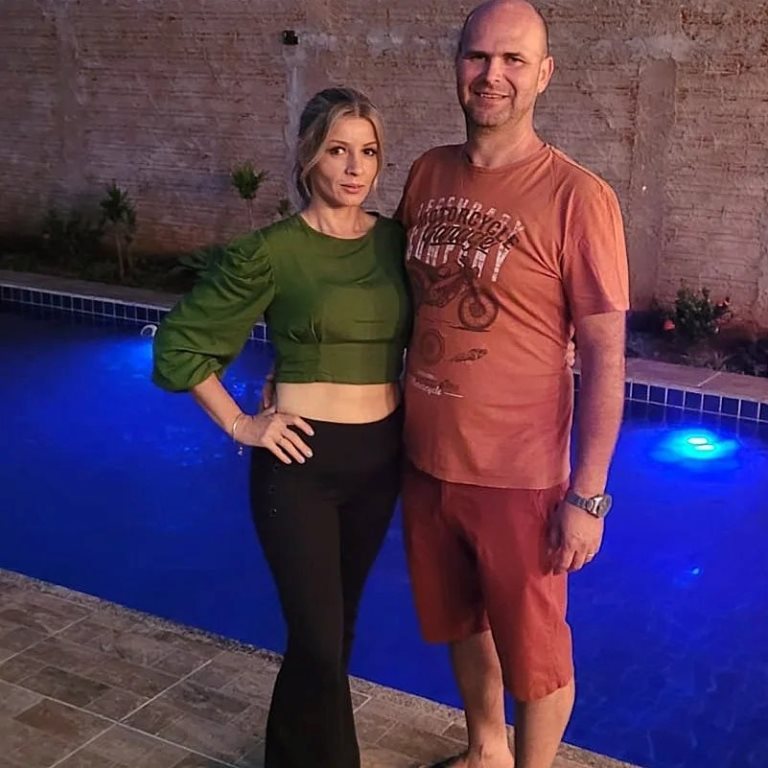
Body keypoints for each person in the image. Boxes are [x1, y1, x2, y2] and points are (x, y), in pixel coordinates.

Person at [395, 2, 630, 768]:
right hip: (426, 464)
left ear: (544, 75)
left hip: (520, 478)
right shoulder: (428, 172)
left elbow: (605, 358)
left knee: (538, 657)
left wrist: (587, 497)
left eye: (513, 60)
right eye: (477, 56)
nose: (491, 74)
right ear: (457, 64)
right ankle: (486, 751)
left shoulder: (577, 197)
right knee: (462, 622)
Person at [152, 87, 411, 768]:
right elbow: (180, 345)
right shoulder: (271, 251)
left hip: (380, 460)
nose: (354, 168)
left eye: (368, 152)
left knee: (333, 636)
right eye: (338, 150)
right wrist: (241, 422)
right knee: (320, 642)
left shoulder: (396, 242)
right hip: (299, 464)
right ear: (307, 158)